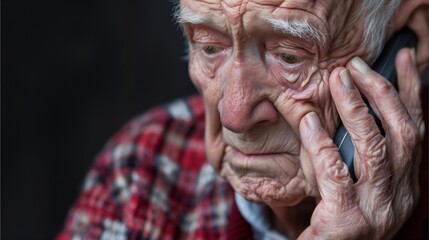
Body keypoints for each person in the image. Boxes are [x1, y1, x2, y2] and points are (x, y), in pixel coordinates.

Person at [58, 0, 428, 239]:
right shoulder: (144, 172)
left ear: (413, 39)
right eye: (209, 47)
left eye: (289, 56)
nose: (235, 115)